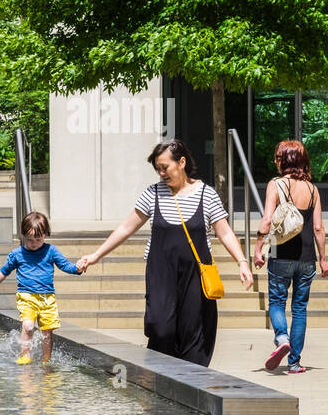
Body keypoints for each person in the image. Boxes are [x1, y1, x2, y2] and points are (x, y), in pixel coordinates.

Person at [77, 138, 253, 367]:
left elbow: (225, 232)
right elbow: (126, 228)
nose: (161, 173)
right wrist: (96, 255)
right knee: (160, 326)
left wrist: (241, 261)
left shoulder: (206, 194)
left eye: (165, 167)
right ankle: (161, 375)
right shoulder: (153, 194)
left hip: (195, 277)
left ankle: (192, 384)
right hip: (161, 274)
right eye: (158, 169)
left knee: (193, 332)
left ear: (181, 162)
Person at [253, 140, 328, 375]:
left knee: (276, 302)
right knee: (299, 308)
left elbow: (267, 220)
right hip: (307, 257)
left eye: (278, 157)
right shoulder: (313, 189)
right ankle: (295, 363)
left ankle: (282, 338)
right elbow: (318, 228)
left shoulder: (275, 184)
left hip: (279, 252)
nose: (275, 161)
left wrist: (258, 248)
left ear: (285, 160)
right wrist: (323, 259)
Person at [0, 211, 83, 364]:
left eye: (38, 239)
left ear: (45, 235)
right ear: (23, 235)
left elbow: (65, 266)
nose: (33, 243)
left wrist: (77, 269)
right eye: (29, 239)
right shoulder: (18, 254)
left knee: (47, 332)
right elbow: (4, 271)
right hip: (27, 296)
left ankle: (46, 360)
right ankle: (25, 356)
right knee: (28, 326)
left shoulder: (50, 251)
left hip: (47, 298)